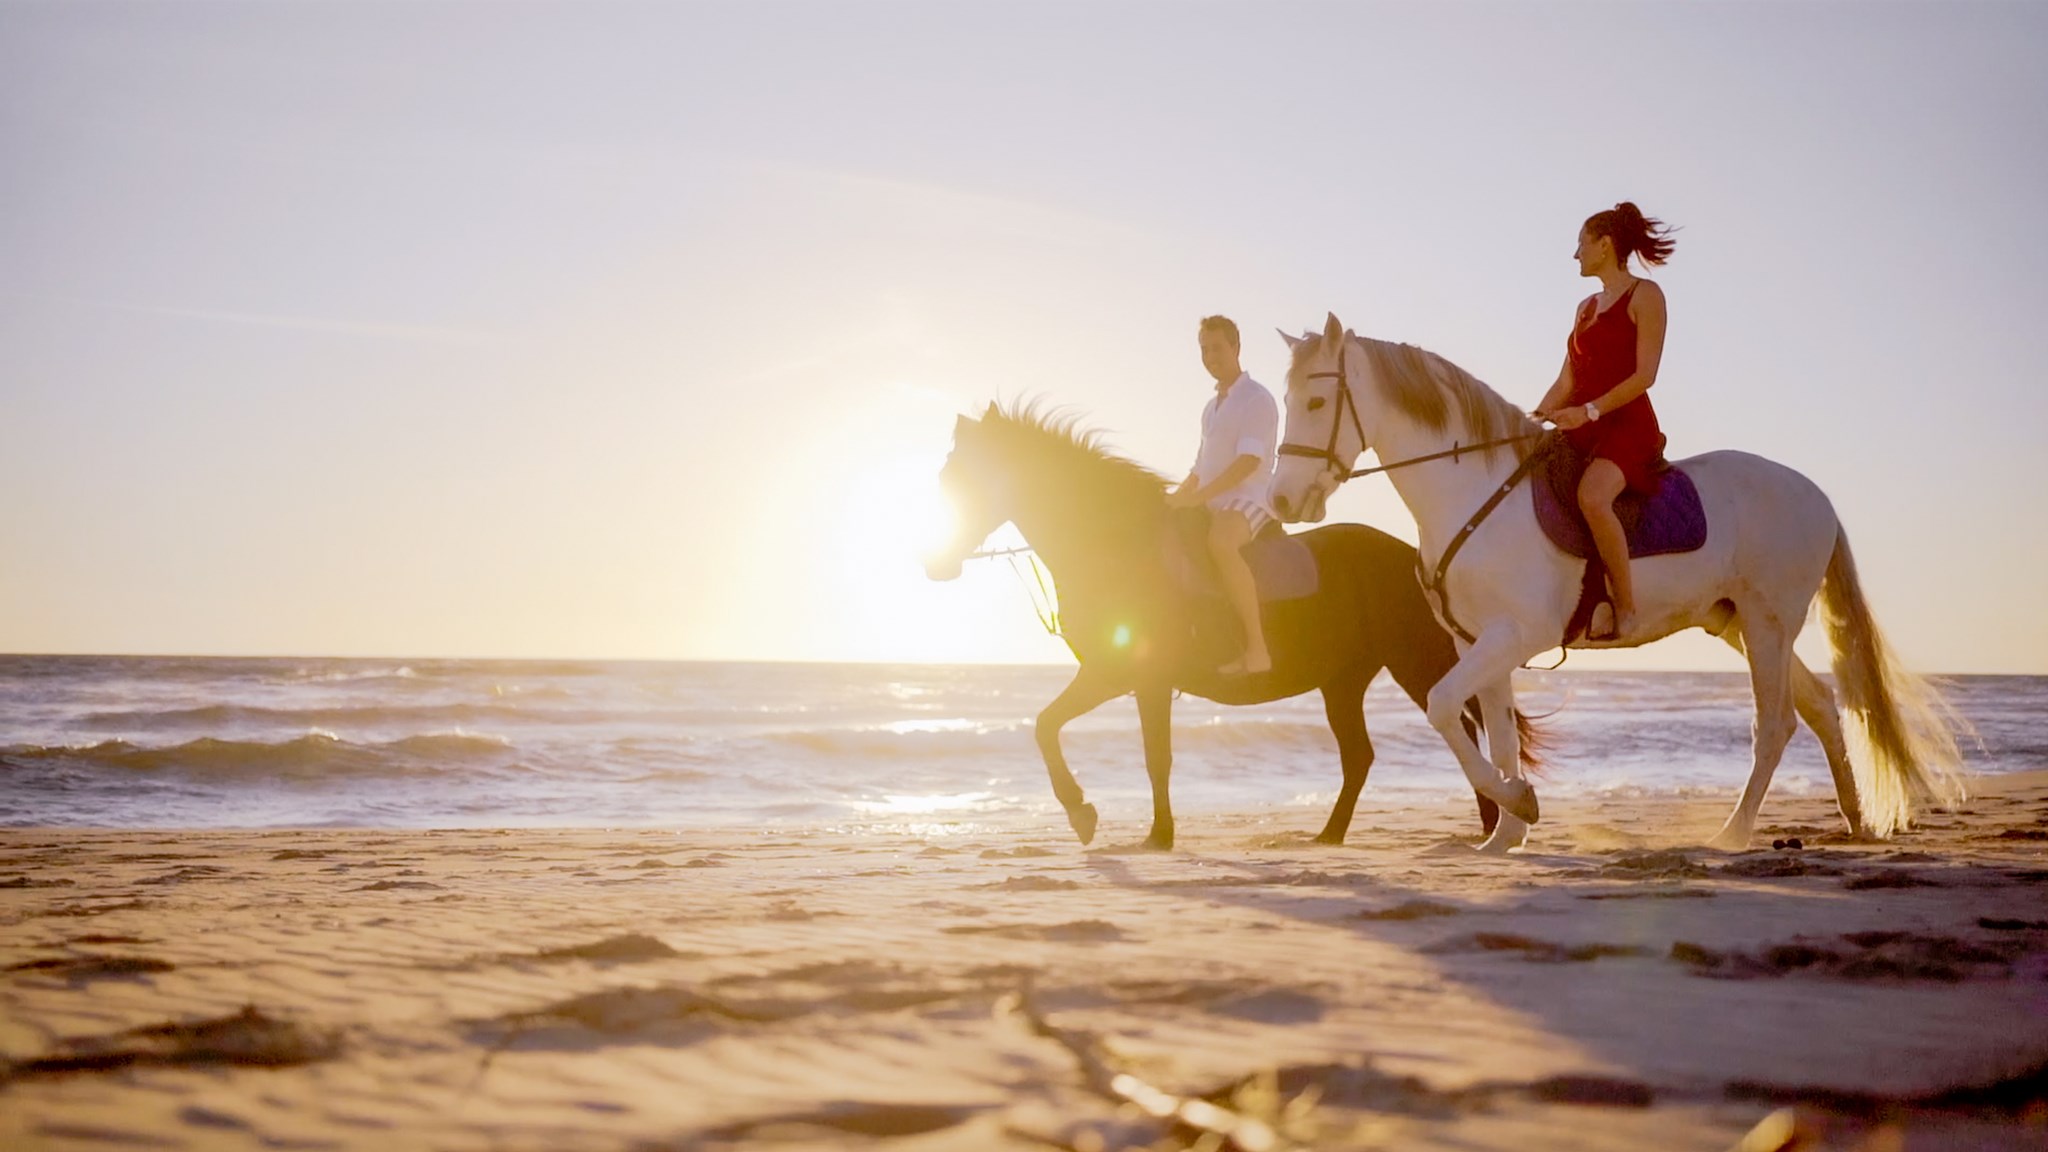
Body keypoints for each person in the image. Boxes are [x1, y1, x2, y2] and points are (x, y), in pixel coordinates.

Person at [1532, 201, 1677, 641]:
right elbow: (1566, 379)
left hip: (1628, 428)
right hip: (1581, 426)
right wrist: (1533, 420)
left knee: (1593, 497)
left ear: (1605, 245)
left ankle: (1626, 607)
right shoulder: (1584, 307)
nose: (1576, 254)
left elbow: (1645, 375)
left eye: (1581, 243)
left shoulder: (1645, 296)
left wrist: (1590, 410)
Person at [1167, 315, 1278, 675]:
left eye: (1216, 347)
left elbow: (1248, 461)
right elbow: (1200, 469)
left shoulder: (1256, 398)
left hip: (1252, 498)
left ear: (1236, 348)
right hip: (1214, 499)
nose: (1210, 355)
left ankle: (1258, 651)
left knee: (1221, 543)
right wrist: (1171, 500)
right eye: (1204, 349)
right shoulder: (1210, 408)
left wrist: (1198, 499)